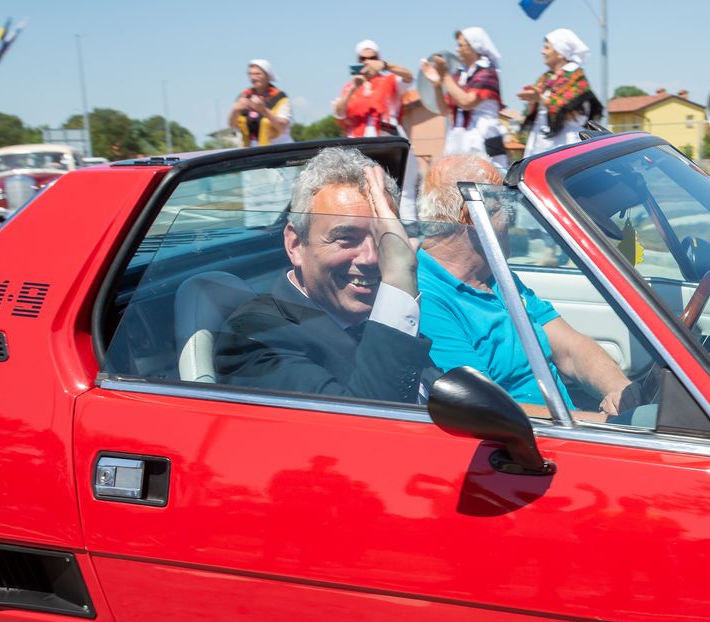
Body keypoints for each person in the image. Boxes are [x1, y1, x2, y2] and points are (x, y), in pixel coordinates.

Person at [416, 154, 633, 416]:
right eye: (505, 207)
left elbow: (571, 348)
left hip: (567, 424)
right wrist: (597, 424)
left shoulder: (494, 275)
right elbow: (485, 408)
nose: (512, 220)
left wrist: (620, 390)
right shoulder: (427, 297)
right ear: (472, 216)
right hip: (524, 436)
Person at [216, 147, 431, 402]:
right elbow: (372, 421)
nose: (371, 258)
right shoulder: (255, 339)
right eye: (345, 238)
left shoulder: (376, 313)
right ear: (296, 244)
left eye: (382, 238)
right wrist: (399, 276)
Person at [333, 40, 419, 219]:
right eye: (362, 58)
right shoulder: (350, 87)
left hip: (389, 140)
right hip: (359, 144)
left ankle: (408, 230)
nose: (367, 62)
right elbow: (339, 113)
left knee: (402, 192)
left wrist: (385, 66)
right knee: (362, 190)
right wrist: (353, 88)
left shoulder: (390, 80)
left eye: (372, 58)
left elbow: (409, 77)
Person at [420, 27, 509, 172]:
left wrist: (445, 76)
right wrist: (437, 85)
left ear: (474, 47)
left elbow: (467, 102)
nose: (457, 49)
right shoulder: (459, 75)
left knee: (487, 180)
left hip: (482, 138)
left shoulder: (488, 72)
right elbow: (444, 110)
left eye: (461, 45)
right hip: (459, 140)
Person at [518, 29, 603, 157]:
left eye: (547, 48)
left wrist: (540, 99)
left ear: (560, 53)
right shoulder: (546, 78)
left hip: (566, 142)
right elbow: (537, 112)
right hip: (542, 141)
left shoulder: (575, 76)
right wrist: (532, 100)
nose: (542, 52)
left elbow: (571, 113)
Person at [229, 59, 294, 147]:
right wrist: (235, 110)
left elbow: (282, 127)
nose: (253, 78)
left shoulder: (280, 97)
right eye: (250, 74)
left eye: (257, 74)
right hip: (253, 149)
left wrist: (264, 110)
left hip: (279, 148)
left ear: (268, 76)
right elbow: (233, 126)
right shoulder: (244, 96)